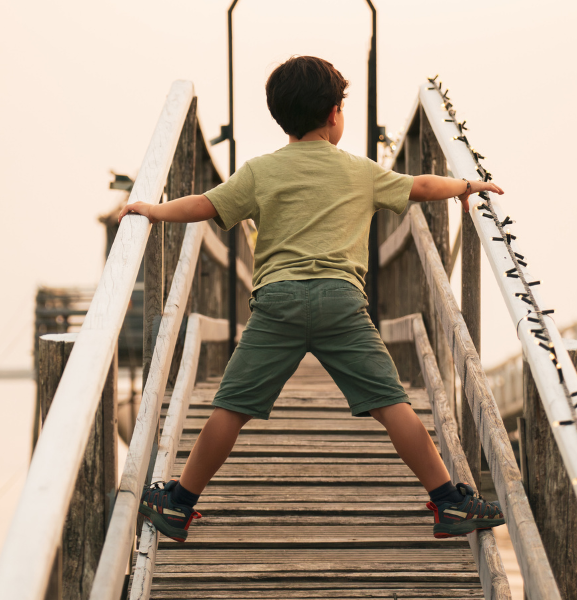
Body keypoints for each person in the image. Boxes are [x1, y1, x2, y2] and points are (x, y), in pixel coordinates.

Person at [119, 56, 505, 543]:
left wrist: (151, 210)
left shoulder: (260, 171)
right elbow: (422, 187)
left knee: (230, 407)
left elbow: (207, 204)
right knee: (392, 404)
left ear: (282, 116)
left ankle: (178, 503)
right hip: (341, 301)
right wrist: (469, 185)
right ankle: (450, 501)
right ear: (334, 114)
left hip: (277, 302)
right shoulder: (360, 171)